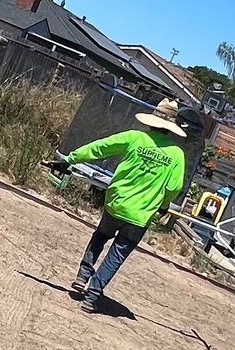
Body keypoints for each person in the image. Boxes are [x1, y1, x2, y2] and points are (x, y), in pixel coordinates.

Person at [58, 97, 190, 312]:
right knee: (118, 254)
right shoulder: (176, 155)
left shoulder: (134, 138)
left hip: (117, 203)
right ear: (171, 128)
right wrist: (163, 205)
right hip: (141, 215)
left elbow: (100, 148)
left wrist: (70, 159)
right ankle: (91, 297)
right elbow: (174, 188)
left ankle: (83, 275)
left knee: (101, 236)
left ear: (152, 121)